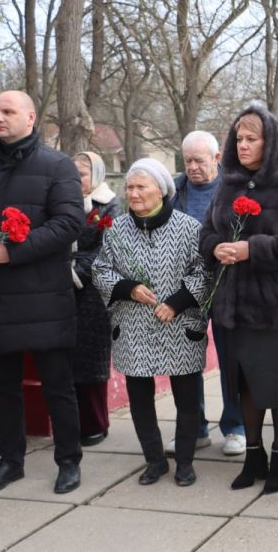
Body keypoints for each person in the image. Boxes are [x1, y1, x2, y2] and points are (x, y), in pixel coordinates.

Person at [0, 90, 84, 496]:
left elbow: (68, 223)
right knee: (2, 388)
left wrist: (14, 251)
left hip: (44, 299)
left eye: (7, 111)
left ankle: (68, 461)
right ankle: (11, 461)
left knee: (57, 386)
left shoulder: (57, 166)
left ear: (30, 118)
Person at [201, 105, 278, 494]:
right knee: (245, 385)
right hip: (233, 306)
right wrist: (217, 248)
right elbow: (206, 235)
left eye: (252, 138)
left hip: (275, 306)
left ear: (271, 142)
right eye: (239, 138)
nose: (243, 145)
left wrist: (252, 249)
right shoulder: (227, 183)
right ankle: (254, 455)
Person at [93, 158, 210, 487]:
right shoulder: (116, 230)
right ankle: (155, 460)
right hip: (133, 327)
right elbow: (100, 270)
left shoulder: (188, 228)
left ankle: (185, 462)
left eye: (141, 186)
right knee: (140, 398)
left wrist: (176, 302)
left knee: (186, 397)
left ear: (161, 190)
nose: (133, 193)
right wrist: (128, 288)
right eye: (129, 187)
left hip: (179, 325)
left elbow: (206, 272)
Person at [170, 131, 247, 457]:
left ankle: (235, 426)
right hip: (185, 288)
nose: (192, 167)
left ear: (216, 158)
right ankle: (194, 428)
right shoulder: (173, 190)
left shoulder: (234, 189)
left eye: (199, 160)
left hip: (225, 284)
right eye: (187, 160)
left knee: (232, 360)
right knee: (185, 362)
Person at [71, 152, 121, 447]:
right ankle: (73, 423)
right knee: (68, 359)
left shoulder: (109, 205)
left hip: (93, 293)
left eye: (83, 174)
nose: (78, 180)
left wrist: (76, 271)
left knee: (92, 360)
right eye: (73, 173)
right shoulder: (63, 202)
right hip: (63, 291)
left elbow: (108, 249)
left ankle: (95, 424)